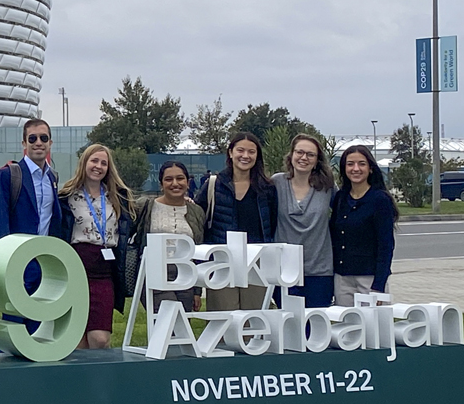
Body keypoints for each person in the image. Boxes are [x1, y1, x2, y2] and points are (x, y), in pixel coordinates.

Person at [0, 118, 63, 332]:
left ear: (50, 143)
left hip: (44, 262)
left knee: (38, 323)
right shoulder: (8, 175)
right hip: (17, 261)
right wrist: (5, 260)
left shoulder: (53, 178)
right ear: (24, 144)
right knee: (14, 323)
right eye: (32, 138)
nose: (38, 142)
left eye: (43, 138)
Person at [58, 144, 136, 349]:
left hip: (104, 271)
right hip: (76, 267)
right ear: (84, 162)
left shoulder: (118, 197)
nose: (98, 166)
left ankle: (102, 378)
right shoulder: (67, 196)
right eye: (94, 161)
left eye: (103, 163)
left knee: (99, 339)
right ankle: (82, 380)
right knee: (77, 341)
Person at [193, 131, 278, 310]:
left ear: (257, 156)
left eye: (251, 152)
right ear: (230, 152)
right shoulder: (213, 185)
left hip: (256, 262)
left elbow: (273, 224)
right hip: (221, 260)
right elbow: (198, 219)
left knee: (255, 321)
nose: (245, 156)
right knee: (224, 321)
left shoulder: (267, 188)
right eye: (240, 150)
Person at [272, 134, 335, 308]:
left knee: (315, 329)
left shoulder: (327, 187)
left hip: (319, 271)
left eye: (310, 154)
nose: (304, 158)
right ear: (291, 155)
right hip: (284, 270)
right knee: (289, 326)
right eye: (299, 152)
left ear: (317, 160)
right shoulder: (277, 183)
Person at [330, 145, 397, 306]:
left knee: (373, 329)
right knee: (346, 328)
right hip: (342, 278)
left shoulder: (380, 200)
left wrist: (379, 286)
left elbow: (386, 245)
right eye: (350, 164)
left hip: (369, 279)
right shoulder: (340, 198)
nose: (356, 169)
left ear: (370, 168)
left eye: (361, 163)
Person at [134, 161, 205, 312]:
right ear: (161, 184)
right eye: (168, 179)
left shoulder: (197, 212)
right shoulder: (146, 206)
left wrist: (197, 291)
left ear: (187, 182)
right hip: (154, 273)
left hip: (186, 276)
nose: (175, 183)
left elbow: (199, 250)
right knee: (169, 318)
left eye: (180, 178)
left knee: (182, 328)